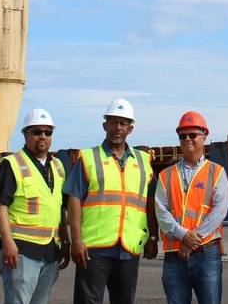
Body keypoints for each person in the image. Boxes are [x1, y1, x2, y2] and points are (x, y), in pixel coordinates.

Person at [64, 98, 158, 304]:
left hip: (129, 246)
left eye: (123, 123)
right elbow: (74, 200)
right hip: (93, 247)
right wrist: (76, 240)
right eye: (113, 122)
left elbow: (149, 203)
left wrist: (153, 237)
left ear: (130, 129)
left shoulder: (143, 161)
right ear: (104, 126)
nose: (118, 128)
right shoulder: (88, 158)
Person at [0, 108, 70, 304]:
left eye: (48, 132)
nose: (43, 136)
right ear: (25, 134)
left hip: (50, 251)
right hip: (21, 250)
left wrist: (66, 242)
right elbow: (0, 206)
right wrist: (8, 243)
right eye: (37, 132)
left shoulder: (58, 166)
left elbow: (60, 208)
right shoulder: (12, 164)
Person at [155, 111, 228, 304]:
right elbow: (161, 212)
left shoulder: (217, 172)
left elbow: (220, 211)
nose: (187, 139)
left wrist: (190, 240)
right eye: (183, 135)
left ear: (204, 137)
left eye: (192, 135)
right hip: (174, 254)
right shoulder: (166, 175)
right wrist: (183, 235)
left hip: (207, 253)